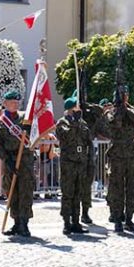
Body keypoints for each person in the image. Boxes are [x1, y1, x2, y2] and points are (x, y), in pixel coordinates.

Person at [0, 90, 34, 237]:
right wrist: (7, 159)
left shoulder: (26, 119)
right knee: (12, 192)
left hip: (25, 159)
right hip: (10, 158)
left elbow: (33, 136)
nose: (14, 105)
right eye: (11, 102)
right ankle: (16, 222)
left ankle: (24, 222)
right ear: (5, 104)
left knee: (26, 191)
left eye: (17, 102)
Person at [101, 91, 134, 232]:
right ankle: (118, 219)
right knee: (117, 189)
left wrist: (125, 108)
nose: (125, 98)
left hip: (130, 154)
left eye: (126, 96)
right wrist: (119, 109)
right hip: (117, 155)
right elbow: (114, 122)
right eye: (122, 96)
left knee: (131, 188)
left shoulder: (132, 110)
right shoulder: (110, 113)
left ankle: (129, 219)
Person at [54, 93, 92, 235]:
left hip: (80, 162)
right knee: (68, 193)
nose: (78, 109)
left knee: (78, 193)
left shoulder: (82, 123)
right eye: (76, 106)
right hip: (68, 163)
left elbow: (88, 138)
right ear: (70, 109)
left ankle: (76, 221)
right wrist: (75, 122)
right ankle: (66, 222)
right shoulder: (62, 122)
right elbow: (67, 136)